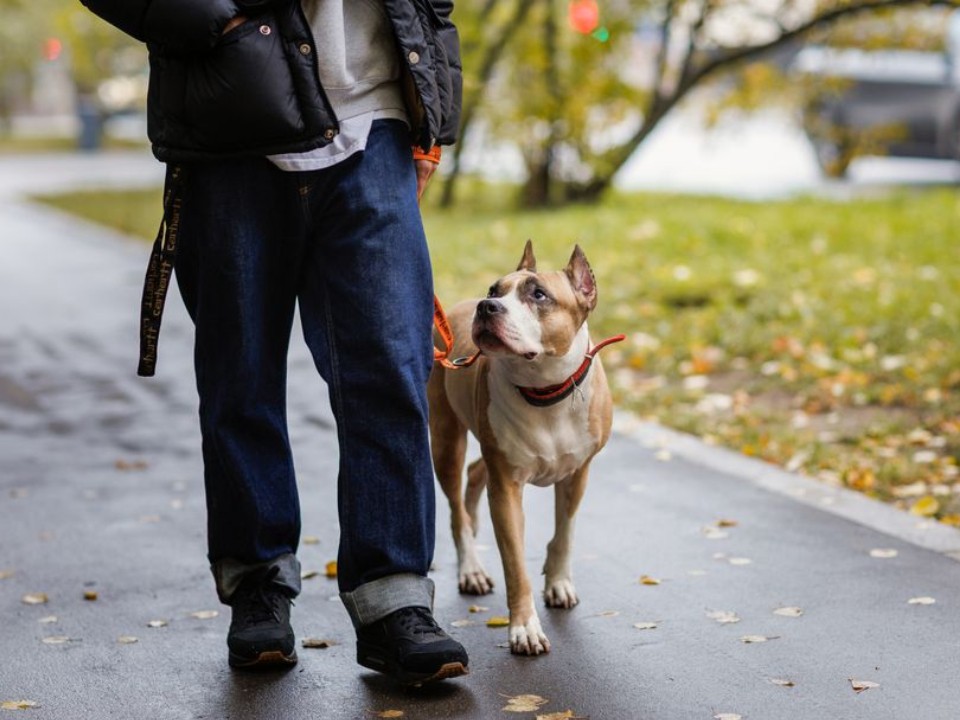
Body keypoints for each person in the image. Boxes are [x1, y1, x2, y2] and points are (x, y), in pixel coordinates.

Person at [78, 0, 469, 686]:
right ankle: (257, 583)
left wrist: (431, 106)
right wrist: (204, 15)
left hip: (374, 121)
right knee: (241, 375)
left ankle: (394, 597)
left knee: (390, 370)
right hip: (229, 132)